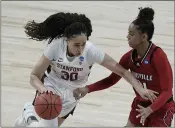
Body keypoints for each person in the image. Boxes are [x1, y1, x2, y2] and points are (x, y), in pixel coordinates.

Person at [13, 12, 158, 127]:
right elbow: (34, 76)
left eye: (83, 44)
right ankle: (29, 113)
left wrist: (140, 89)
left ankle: (27, 117)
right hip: (51, 90)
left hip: (72, 96)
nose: (80, 49)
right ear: (66, 40)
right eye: (76, 45)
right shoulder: (56, 46)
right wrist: (43, 89)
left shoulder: (90, 51)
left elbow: (122, 71)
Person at [74, 7, 175, 127]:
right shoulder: (129, 57)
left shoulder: (158, 56)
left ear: (143, 37)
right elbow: (111, 79)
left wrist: (150, 110)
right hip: (140, 105)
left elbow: (167, 92)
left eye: (131, 34)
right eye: (128, 33)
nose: (127, 37)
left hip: (161, 107)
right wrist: (88, 89)